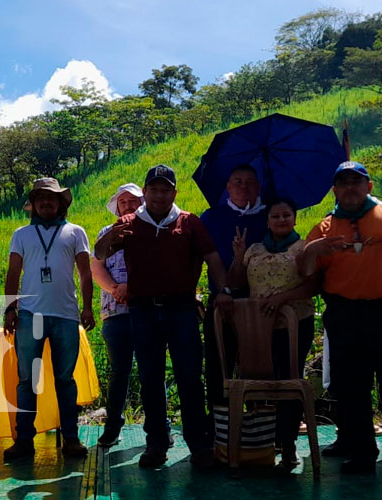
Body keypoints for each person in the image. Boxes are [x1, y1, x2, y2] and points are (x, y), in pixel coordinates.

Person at [95, 164, 232, 468]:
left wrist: (222, 290)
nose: (159, 195)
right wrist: (111, 237)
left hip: (182, 309)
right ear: (144, 193)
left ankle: (199, 446)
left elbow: (212, 258)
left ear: (174, 192)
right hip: (142, 311)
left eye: (165, 189)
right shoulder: (129, 223)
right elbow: (100, 254)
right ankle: (156, 444)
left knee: (190, 378)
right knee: (150, 378)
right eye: (153, 189)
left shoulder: (190, 222)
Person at [3, 177, 95, 460]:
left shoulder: (75, 231)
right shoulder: (21, 234)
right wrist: (10, 308)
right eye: (40, 198)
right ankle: (24, 441)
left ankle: (71, 439)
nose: (45, 202)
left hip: (66, 315)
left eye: (51, 198)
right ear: (33, 204)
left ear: (60, 203)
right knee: (27, 380)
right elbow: (13, 274)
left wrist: (88, 307)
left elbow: (85, 273)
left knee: (65, 379)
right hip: (31, 316)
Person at [300, 161, 382, 474]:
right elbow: (305, 273)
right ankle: (362, 454)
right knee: (352, 387)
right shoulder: (324, 227)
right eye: (343, 183)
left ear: (368, 186)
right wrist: (313, 250)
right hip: (344, 314)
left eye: (356, 182)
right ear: (335, 189)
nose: (350, 188)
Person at [227, 197, 317, 470]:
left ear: (295, 219)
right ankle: (262, 447)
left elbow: (313, 285)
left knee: (290, 382)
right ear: (267, 221)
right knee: (258, 381)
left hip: (295, 324)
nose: (281, 220)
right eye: (276, 216)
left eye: (286, 215)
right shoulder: (253, 249)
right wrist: (237, 257)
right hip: (257, 328)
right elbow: (235, 283)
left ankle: (288, 447)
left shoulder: (304, 248)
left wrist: (282, 299)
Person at [92, 183, 159, 447]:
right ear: (116, 208)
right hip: (115, 312)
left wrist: (133, 288)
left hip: (148, 311)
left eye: (133, 201)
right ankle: (112, 427)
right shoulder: (106, 233)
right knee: (118, 372)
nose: (128, 206)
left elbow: (160, 266)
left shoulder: (153, 230)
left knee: (150, 371)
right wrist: (116, 289)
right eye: (123, 203)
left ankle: (157, 428)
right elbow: (96, 268)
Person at [200, 164, 268, 413]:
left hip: (262, 305)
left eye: (250, 181)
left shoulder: (270, 215)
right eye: (237, 181)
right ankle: (221, 429)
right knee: (219, 366)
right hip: (221, 302)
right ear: (227, 187)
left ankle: (260, 430)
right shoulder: (211, 217)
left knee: (260, 367)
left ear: (258, 186)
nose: (243, 186)